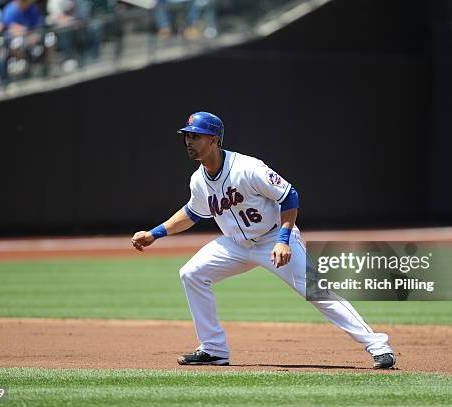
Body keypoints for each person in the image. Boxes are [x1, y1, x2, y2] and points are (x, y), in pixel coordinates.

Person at [131, 112, 397, 369]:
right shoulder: (198, 179)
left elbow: (289, 195)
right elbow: (192, 212)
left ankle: (378, 346)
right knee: (191, 273)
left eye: (196, 136)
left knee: (316, 291)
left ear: (214, 140)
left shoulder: (248, 168)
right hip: (235, 244)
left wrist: (283, 240)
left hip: (273, 237)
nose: (189, 141)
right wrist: (154, 233)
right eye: (187, 136)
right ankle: (213, 349)